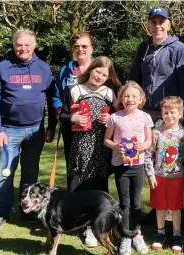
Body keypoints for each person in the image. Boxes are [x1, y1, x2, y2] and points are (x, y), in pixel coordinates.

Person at [129, 6, 184, 227]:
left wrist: (180, 114)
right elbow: (134, 80)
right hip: (148, 115)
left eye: (161, 21)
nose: (157, 26)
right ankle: (157, 208)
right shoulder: (143, 48)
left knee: (175, 162)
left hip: (171, 115)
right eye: (153, 22)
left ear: (169, 23)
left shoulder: (179, 49)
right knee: (153, 162)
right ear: (148, 25)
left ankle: (179, 212)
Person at [0, 28, 53, 232]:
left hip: (35, 130)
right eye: (19, 45)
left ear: (34, 46)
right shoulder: (2, 68)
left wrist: (51, 126)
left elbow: (51, 98)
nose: (23, 48)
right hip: (9, 131)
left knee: (30, 173)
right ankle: (3, 213)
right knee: (4, 173)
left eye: (27, 45)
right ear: (14, 46)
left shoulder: (43, 68)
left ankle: (29, 212)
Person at [65, 56, 121, 247]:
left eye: (104, 75)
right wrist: (73, 118)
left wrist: (110, 119)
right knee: (78, 184)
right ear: (90, 70)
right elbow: (64, 115)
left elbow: (118, 116)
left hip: (100, 146)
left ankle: (94, 226)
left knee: (98, 187)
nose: (100, 77)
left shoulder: (110, 93)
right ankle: (76, 222)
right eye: (97, 71)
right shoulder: (75, 90)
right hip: (80, 145)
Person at [104, 81, 153, 255]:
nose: (130, 99)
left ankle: (137, 234)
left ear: (140, 99)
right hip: (120, 166)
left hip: (138, 165)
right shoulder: (114, 117)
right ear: (120, 98)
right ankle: (125, 236)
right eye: (126, 96)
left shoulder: (145, 117)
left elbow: (149, 141)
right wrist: (115, 146)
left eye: (134, 96)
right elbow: (107, 140)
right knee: (124, 203)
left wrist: (143, 146)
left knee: (136, 203)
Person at [145, 96, 184, 253]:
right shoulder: (156, 133)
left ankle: (177, 235)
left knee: (175, 208)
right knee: (159, 207)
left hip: (177, 178)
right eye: (165, 112)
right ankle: (160, 233)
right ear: (161, 113)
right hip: (159, 177)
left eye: (172, 112)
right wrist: (151, 175)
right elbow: (148, 155)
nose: (169, 116)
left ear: (180, 114)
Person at [51, 32, 95, 188]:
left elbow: (114, 94)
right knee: (74, 167)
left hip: (96, 128)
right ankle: (75, 206)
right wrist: (66, 116)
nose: (80, 49)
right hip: (72, 127)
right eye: (77, 46)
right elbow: (56, 96)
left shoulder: (101, 67)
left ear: (92, 48)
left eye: (84, 46)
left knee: (95, 167)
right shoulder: (65, 70)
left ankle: (96, 207)